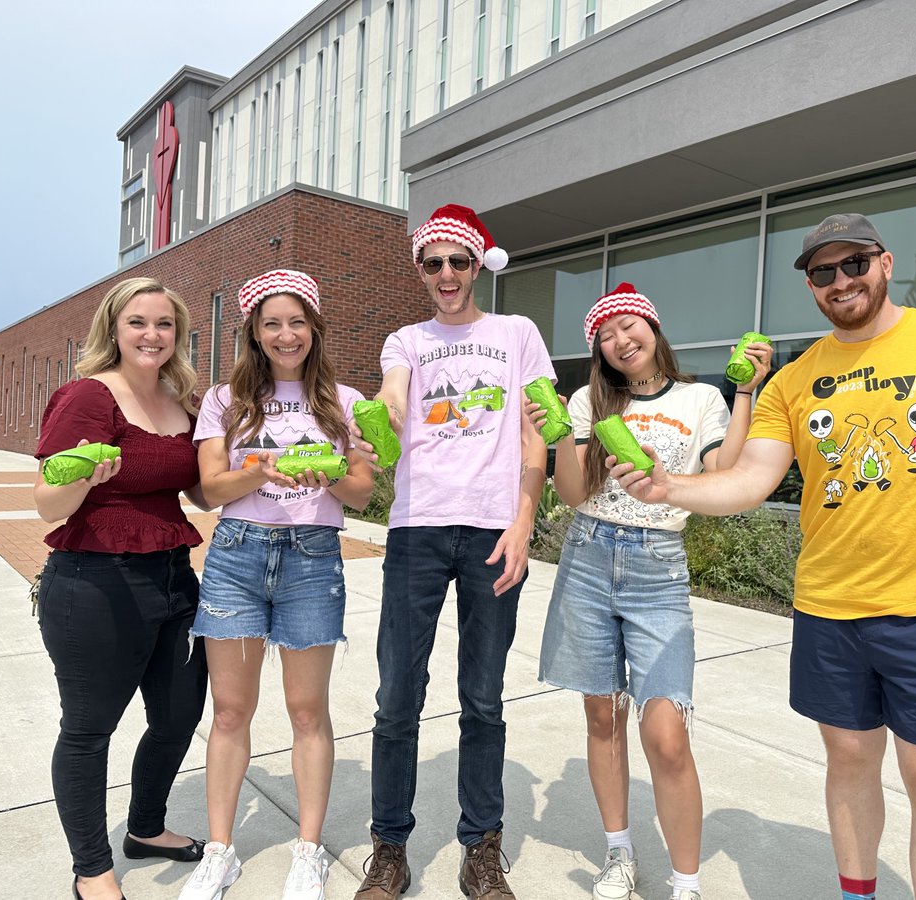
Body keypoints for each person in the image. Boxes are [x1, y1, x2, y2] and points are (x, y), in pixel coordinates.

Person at [613, 214, 916, 900]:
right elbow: (752, 479)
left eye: (854, 264)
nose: (841, 281)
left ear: (884, 263)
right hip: (829, 609)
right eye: (824, 272)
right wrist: (673, 486)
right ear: (811, 285)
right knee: (848, 762)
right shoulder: (795, 380)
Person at [532, 283, 770, 900]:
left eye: (628, 326)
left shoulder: (700, 400)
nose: (619, 341)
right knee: (602, 717)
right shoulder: (590, 400)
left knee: (666, 735)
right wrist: (557, 430)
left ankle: (686, 882)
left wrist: (745, 391)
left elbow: (724, 478)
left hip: (658, 568)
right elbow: (574, 495)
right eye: (605, 336)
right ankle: (619, 853)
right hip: (587, 557)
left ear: (653, 329)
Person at [349, 204, 553, 900]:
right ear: (420, 269)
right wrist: (384, 417)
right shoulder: (405, 338)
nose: (445, 274)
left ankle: (482, 847)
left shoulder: (517, 333)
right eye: (432, 263)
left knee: (484, 698)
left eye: (457, 262)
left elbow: (535, 434)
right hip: (417, 530)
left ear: (478, 266)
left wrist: (525, 522)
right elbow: (395, 397)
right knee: (397, 696)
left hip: (496, 530)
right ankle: (389, 848)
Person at [177, 270, 374, 900]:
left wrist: (329, 475)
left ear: (314, 330)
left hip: (313, 557)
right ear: (254, 334)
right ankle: (220, 851)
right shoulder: (224, 400)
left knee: (306, 710)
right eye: (272, 324)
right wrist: (259, 468)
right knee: (231, 711)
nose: (285, 335)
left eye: (297, 323)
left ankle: (309, 851)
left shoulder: (342, 400)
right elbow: (208, 490)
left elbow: (363, 493)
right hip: (237, 554)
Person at [34, 277, 211, 900]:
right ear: (113, 327)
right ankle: (92, 870)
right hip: (95, 582)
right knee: (89, 728)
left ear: (178, 335)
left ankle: (145, 828)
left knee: (179, 716)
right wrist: (87, 478)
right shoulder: (88, 397)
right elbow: (46, 505)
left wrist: (258, 468)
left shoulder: (181, 400)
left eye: (164, 325)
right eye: (138, 322)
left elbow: (200, 493)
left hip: (174, 578)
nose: (151, 335)